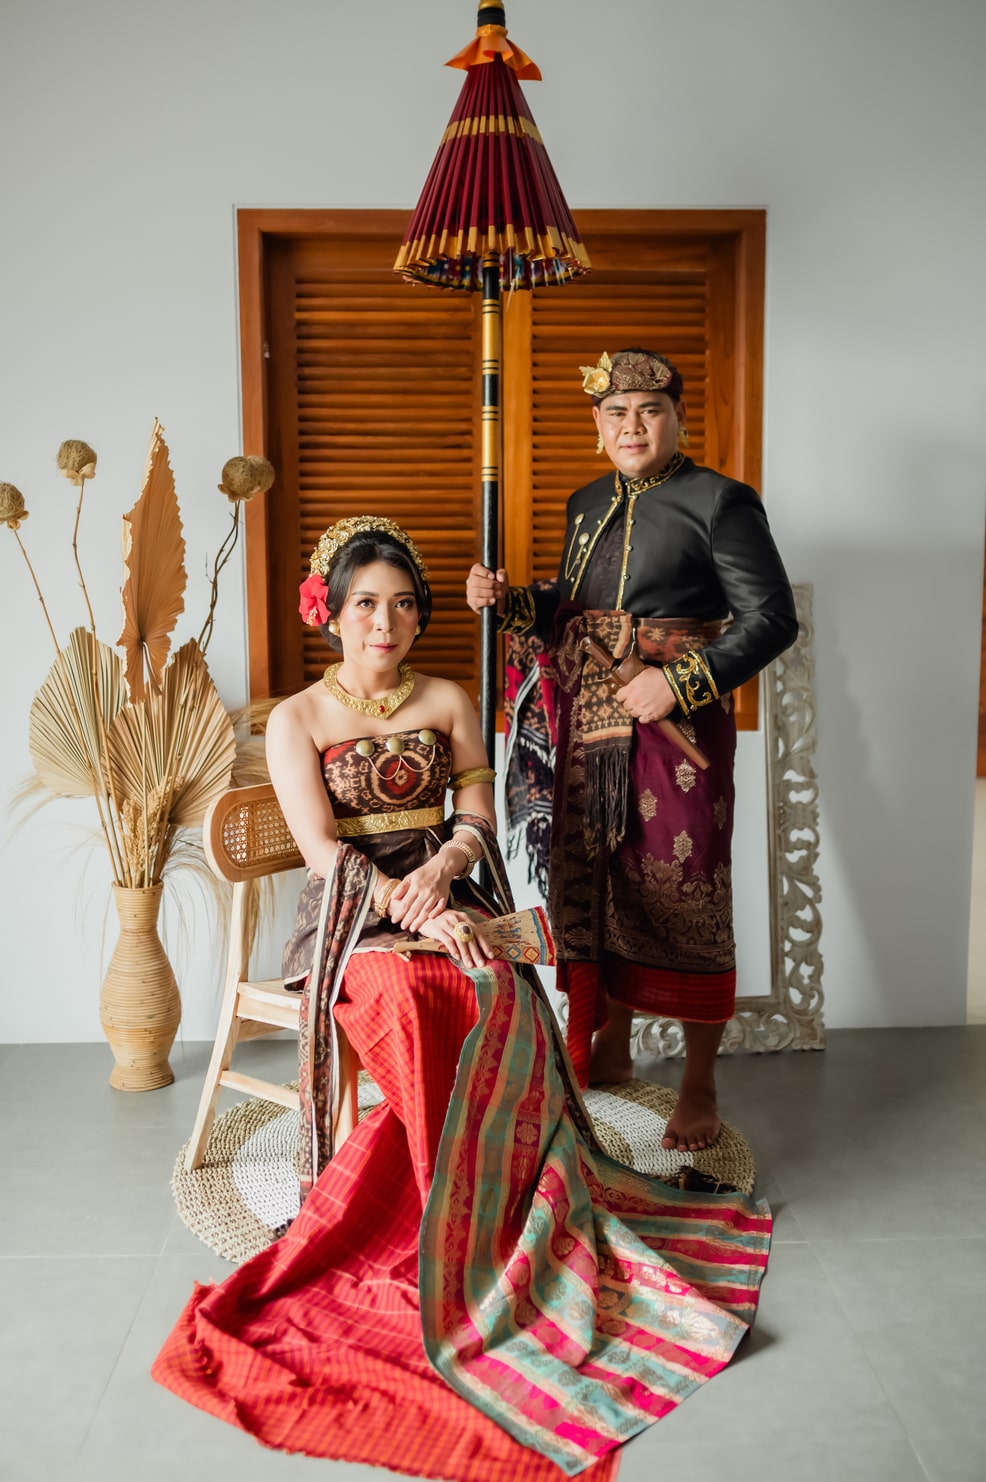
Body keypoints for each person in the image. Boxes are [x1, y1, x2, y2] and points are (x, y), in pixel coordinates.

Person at [153, 516, 771, 1480]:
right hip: (354, 916)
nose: (385, 622)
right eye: (366, 604)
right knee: (411, 996)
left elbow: (476, 815)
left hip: (451, 891)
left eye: (403, 604)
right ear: (331, 613)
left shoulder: (447, 697)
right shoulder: (297, 718)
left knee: (502, 989)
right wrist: (406, 906)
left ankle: (507, 1200)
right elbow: (320, 850)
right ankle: (442, 1213)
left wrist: (445, 872)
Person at [467, 349, 798, 1154]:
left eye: (649, 411)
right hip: (589, 721)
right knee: (597, 879)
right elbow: (572, 608)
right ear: (598, 425)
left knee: (685, 888)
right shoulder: (585, 503)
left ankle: (698, 1082)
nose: (632, 426)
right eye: (616, 413)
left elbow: (772, 619)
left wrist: (679, 683)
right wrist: (512, 602)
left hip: (677, 728)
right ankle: (608, 1043)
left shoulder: (720, 501)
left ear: (677, 417)